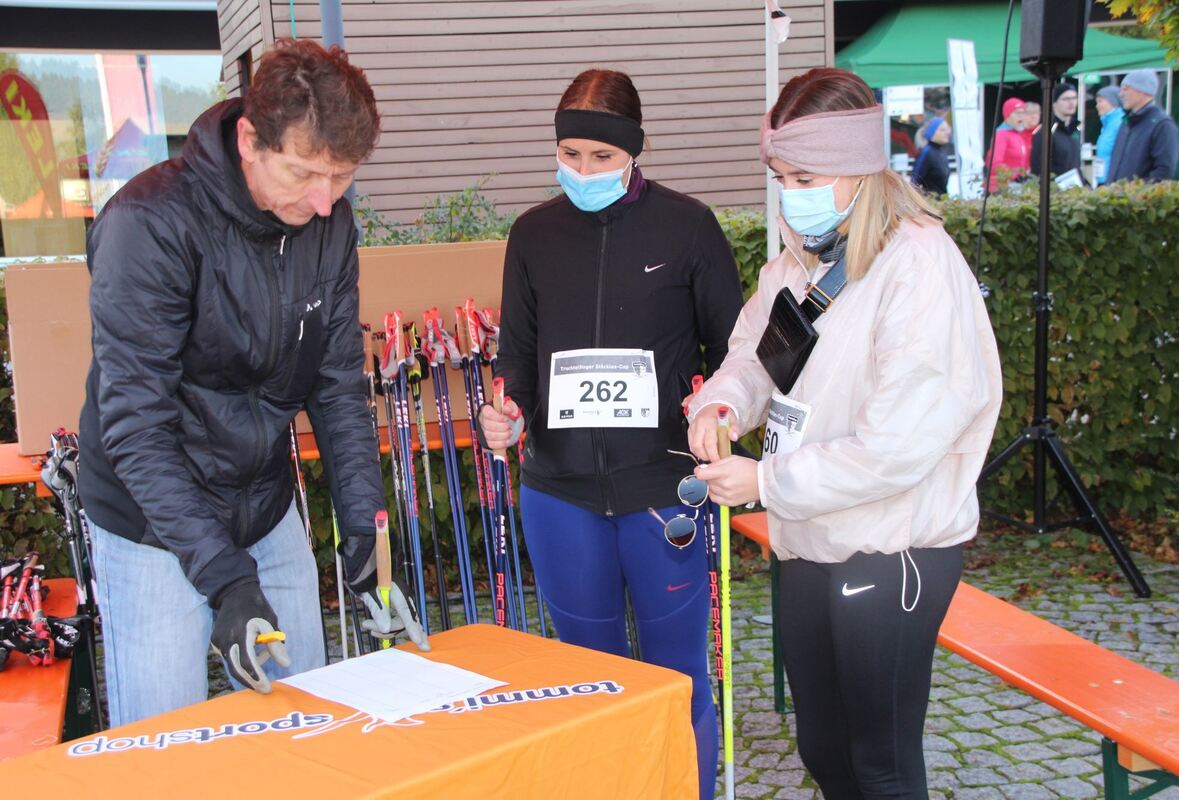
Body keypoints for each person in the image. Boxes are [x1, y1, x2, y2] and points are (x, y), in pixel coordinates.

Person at [80, 39, 426, 727]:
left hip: (264, 503)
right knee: (163, 741)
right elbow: (137, 426)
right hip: (152, 519)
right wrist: (227, 581)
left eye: (342, 177)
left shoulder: (329, 227)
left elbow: (334, 383)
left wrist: (362, 531)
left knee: (303, 722)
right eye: (303, 173)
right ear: (248, 139)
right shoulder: (149, 224)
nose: (324, 201)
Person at [686, 67, 1002, 799]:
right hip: (810, 534)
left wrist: (763, 483)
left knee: (879, 765)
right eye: (781, 174)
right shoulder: (800, 261)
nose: (789, 193)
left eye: (805, 174)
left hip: (893, 547)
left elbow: (898, 445)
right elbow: (754, 358)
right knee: (825, 751)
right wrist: (722, 406)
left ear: (860, 168)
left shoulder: (921, 267)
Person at [479, 69, 743, 800]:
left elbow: (734, 354)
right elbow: (517, 362)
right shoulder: (533, 234)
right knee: (586, 683)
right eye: (570, 155)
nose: (584, 172)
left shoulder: (688, 227)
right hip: (559, 493)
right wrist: (505, 414)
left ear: (636, 150)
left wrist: (715, 409)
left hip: (662, 493)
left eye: (601, 157)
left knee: (674, 676)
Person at [1107, 68, 1179, 183]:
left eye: (1126, 89)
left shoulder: (1163, 125)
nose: (1121, 94)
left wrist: (1137, 194)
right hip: (1118, 198)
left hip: (1137, 200)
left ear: (1142, 90)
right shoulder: (1126, 122)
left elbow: (1164, 170)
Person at [1031, 83, 1081, 179]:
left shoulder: (1076, 130)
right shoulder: (1045, 132)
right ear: (1054, 103)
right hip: (1054, 190)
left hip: (1074, 189)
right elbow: (1038, 169)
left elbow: (1076, 165)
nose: (1071, 103)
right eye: (1066, 99)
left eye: (1074, 98)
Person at [985, 97, 1029, 193]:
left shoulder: (1018, 134)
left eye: (1023, 113)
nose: (1021, 117)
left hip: (1016, 187)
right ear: (1008, 115)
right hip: (1001, 188)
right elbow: (995, 163)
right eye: (1018, 113)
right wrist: (1014, 176)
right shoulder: (1001, 134)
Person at [1093, 85, 1125, 185]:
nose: (1097, 105)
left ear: (1113, 101)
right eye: (1096, 102)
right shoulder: (1107, 124)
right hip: (1104, 180)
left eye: (1100, 101)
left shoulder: (1120, 123)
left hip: (1113, 181)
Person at [911, 116, 951, 195]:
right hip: (930, 202)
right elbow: (915, 181)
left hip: (941, 202)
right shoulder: (926, 153)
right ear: (932, 133)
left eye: (947, 129)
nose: (947, 133)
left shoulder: (941, 152)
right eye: (942, 130)